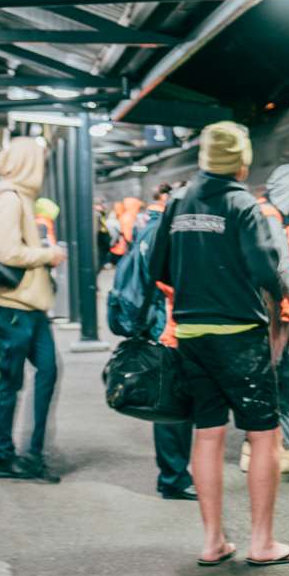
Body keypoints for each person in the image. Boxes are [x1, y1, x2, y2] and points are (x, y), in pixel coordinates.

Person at [146, 121, 289, 568]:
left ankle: (213, 541)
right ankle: (261, 543)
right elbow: (263, 268)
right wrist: (280, 299)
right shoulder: (243, 204)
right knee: (264, 436)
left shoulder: (179, 199)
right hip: (239, 334)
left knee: (207, 434)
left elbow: (156, 265)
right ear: (241, 161)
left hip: (191, 335)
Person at [0, 135, 67, 483]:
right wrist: (50, 254)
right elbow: (7, 253)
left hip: (27, 305)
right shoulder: (9, 198)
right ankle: (5, 456)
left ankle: (33, 451)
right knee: (12, 380)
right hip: (12, 305)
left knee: (46, 370)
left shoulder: (15, 195)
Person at [111, 182, 195, 500]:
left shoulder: (152, 227)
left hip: (161, 322)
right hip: (166, 325)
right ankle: (173, 478)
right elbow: (166, 281)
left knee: (173, 400)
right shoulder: (164, 233)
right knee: (171, 402)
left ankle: (174, 475)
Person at [248, 163, 289, 476]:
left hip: (262, 307)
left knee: (271, 373)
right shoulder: (270, 218)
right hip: (272, 310)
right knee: (275, 375)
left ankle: (264, 445)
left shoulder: (257, 211)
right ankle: (265, 448)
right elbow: (284, 265)